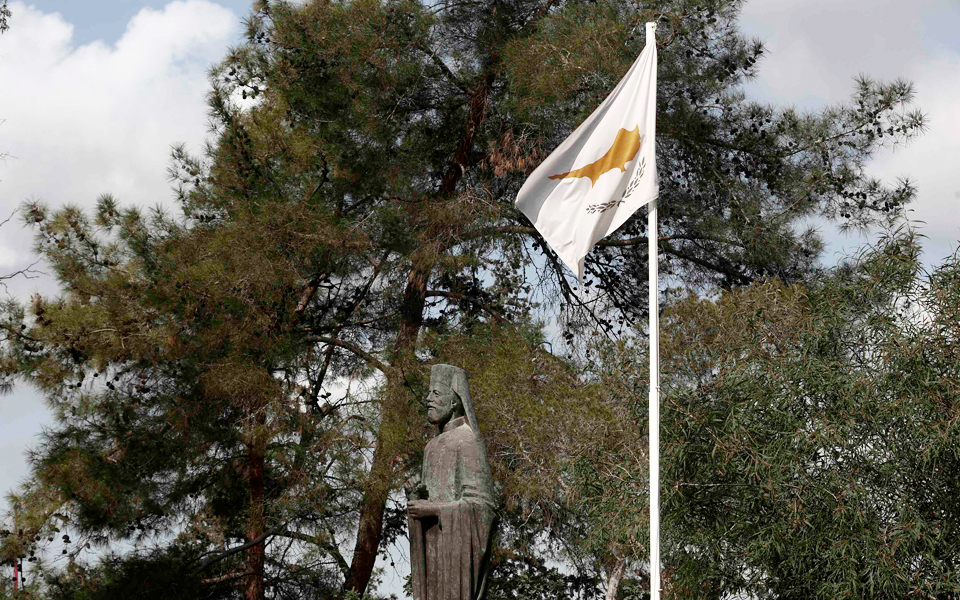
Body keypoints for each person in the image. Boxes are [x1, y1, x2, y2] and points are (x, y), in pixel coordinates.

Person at [407, 364, 497, 600]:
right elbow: (425, 506)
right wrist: (416, 496)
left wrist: (433, 509)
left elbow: (482, 509)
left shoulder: (468, 440)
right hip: (434, 548)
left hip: (454, 558)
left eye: (436, 393)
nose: (428, 399)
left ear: (455, 401)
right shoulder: (431, 447)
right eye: (428, 393)